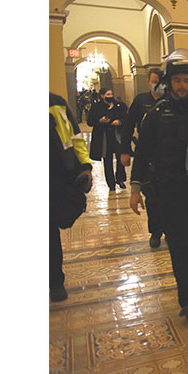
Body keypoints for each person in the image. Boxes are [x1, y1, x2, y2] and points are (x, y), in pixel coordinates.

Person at [129, 49, 188, 318]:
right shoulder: (156, 115)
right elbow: (142, 153)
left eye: (185, 81)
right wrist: (135, 190)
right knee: (178, 242)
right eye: (177, 81)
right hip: (168, 191)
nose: (182, 86)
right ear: (168, 83)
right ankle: (187, 298)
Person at [50, 92, 93, 302]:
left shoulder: (56, 103)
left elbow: (75, 138)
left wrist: (85, 166)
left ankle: (55, 281)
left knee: (50, 230)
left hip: (55, 176)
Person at [121, 68, 166, 248]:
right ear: (149, 81)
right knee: (152, 196)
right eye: (155, 82)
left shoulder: (170, 100)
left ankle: (169, 229)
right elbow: (128, 126)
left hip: (167, 153)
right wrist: (124, 151)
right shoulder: (141, 101)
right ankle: (155, 231)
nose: (158, 85)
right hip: (147, 153)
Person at [87, 88, 128, 191]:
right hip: (104, 137)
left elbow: (126, 118)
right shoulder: (96, 107)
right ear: (102, 96)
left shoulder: (119, 105)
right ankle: (111, 184)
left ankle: (120, 178)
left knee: (120, 157)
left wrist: (119, 122)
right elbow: (90, 121)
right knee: (107, 160)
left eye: (111, 94)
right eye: (107, 94)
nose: (110, 96)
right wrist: (100, 121)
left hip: (116, 135)